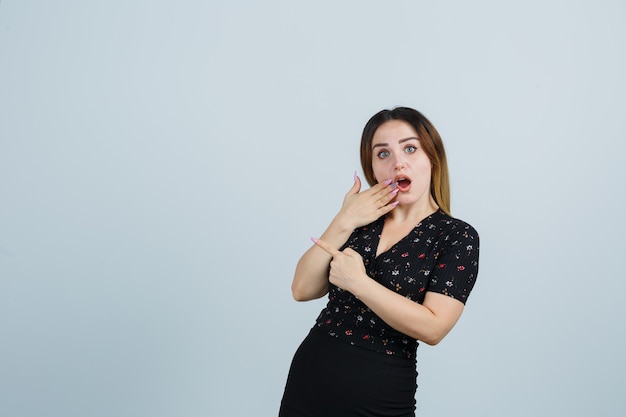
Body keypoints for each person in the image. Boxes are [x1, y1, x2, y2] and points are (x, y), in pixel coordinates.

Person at [278, 106, 480, 417]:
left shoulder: (456, 236)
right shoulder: (361, 218)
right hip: (310, 379)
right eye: (382, 154)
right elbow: (301, 289)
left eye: (410, 148)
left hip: (380, 394)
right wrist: (343, 220)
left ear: (432, 158)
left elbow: (434, 328)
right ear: (373, 168)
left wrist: (359, 284)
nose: (398, 162)